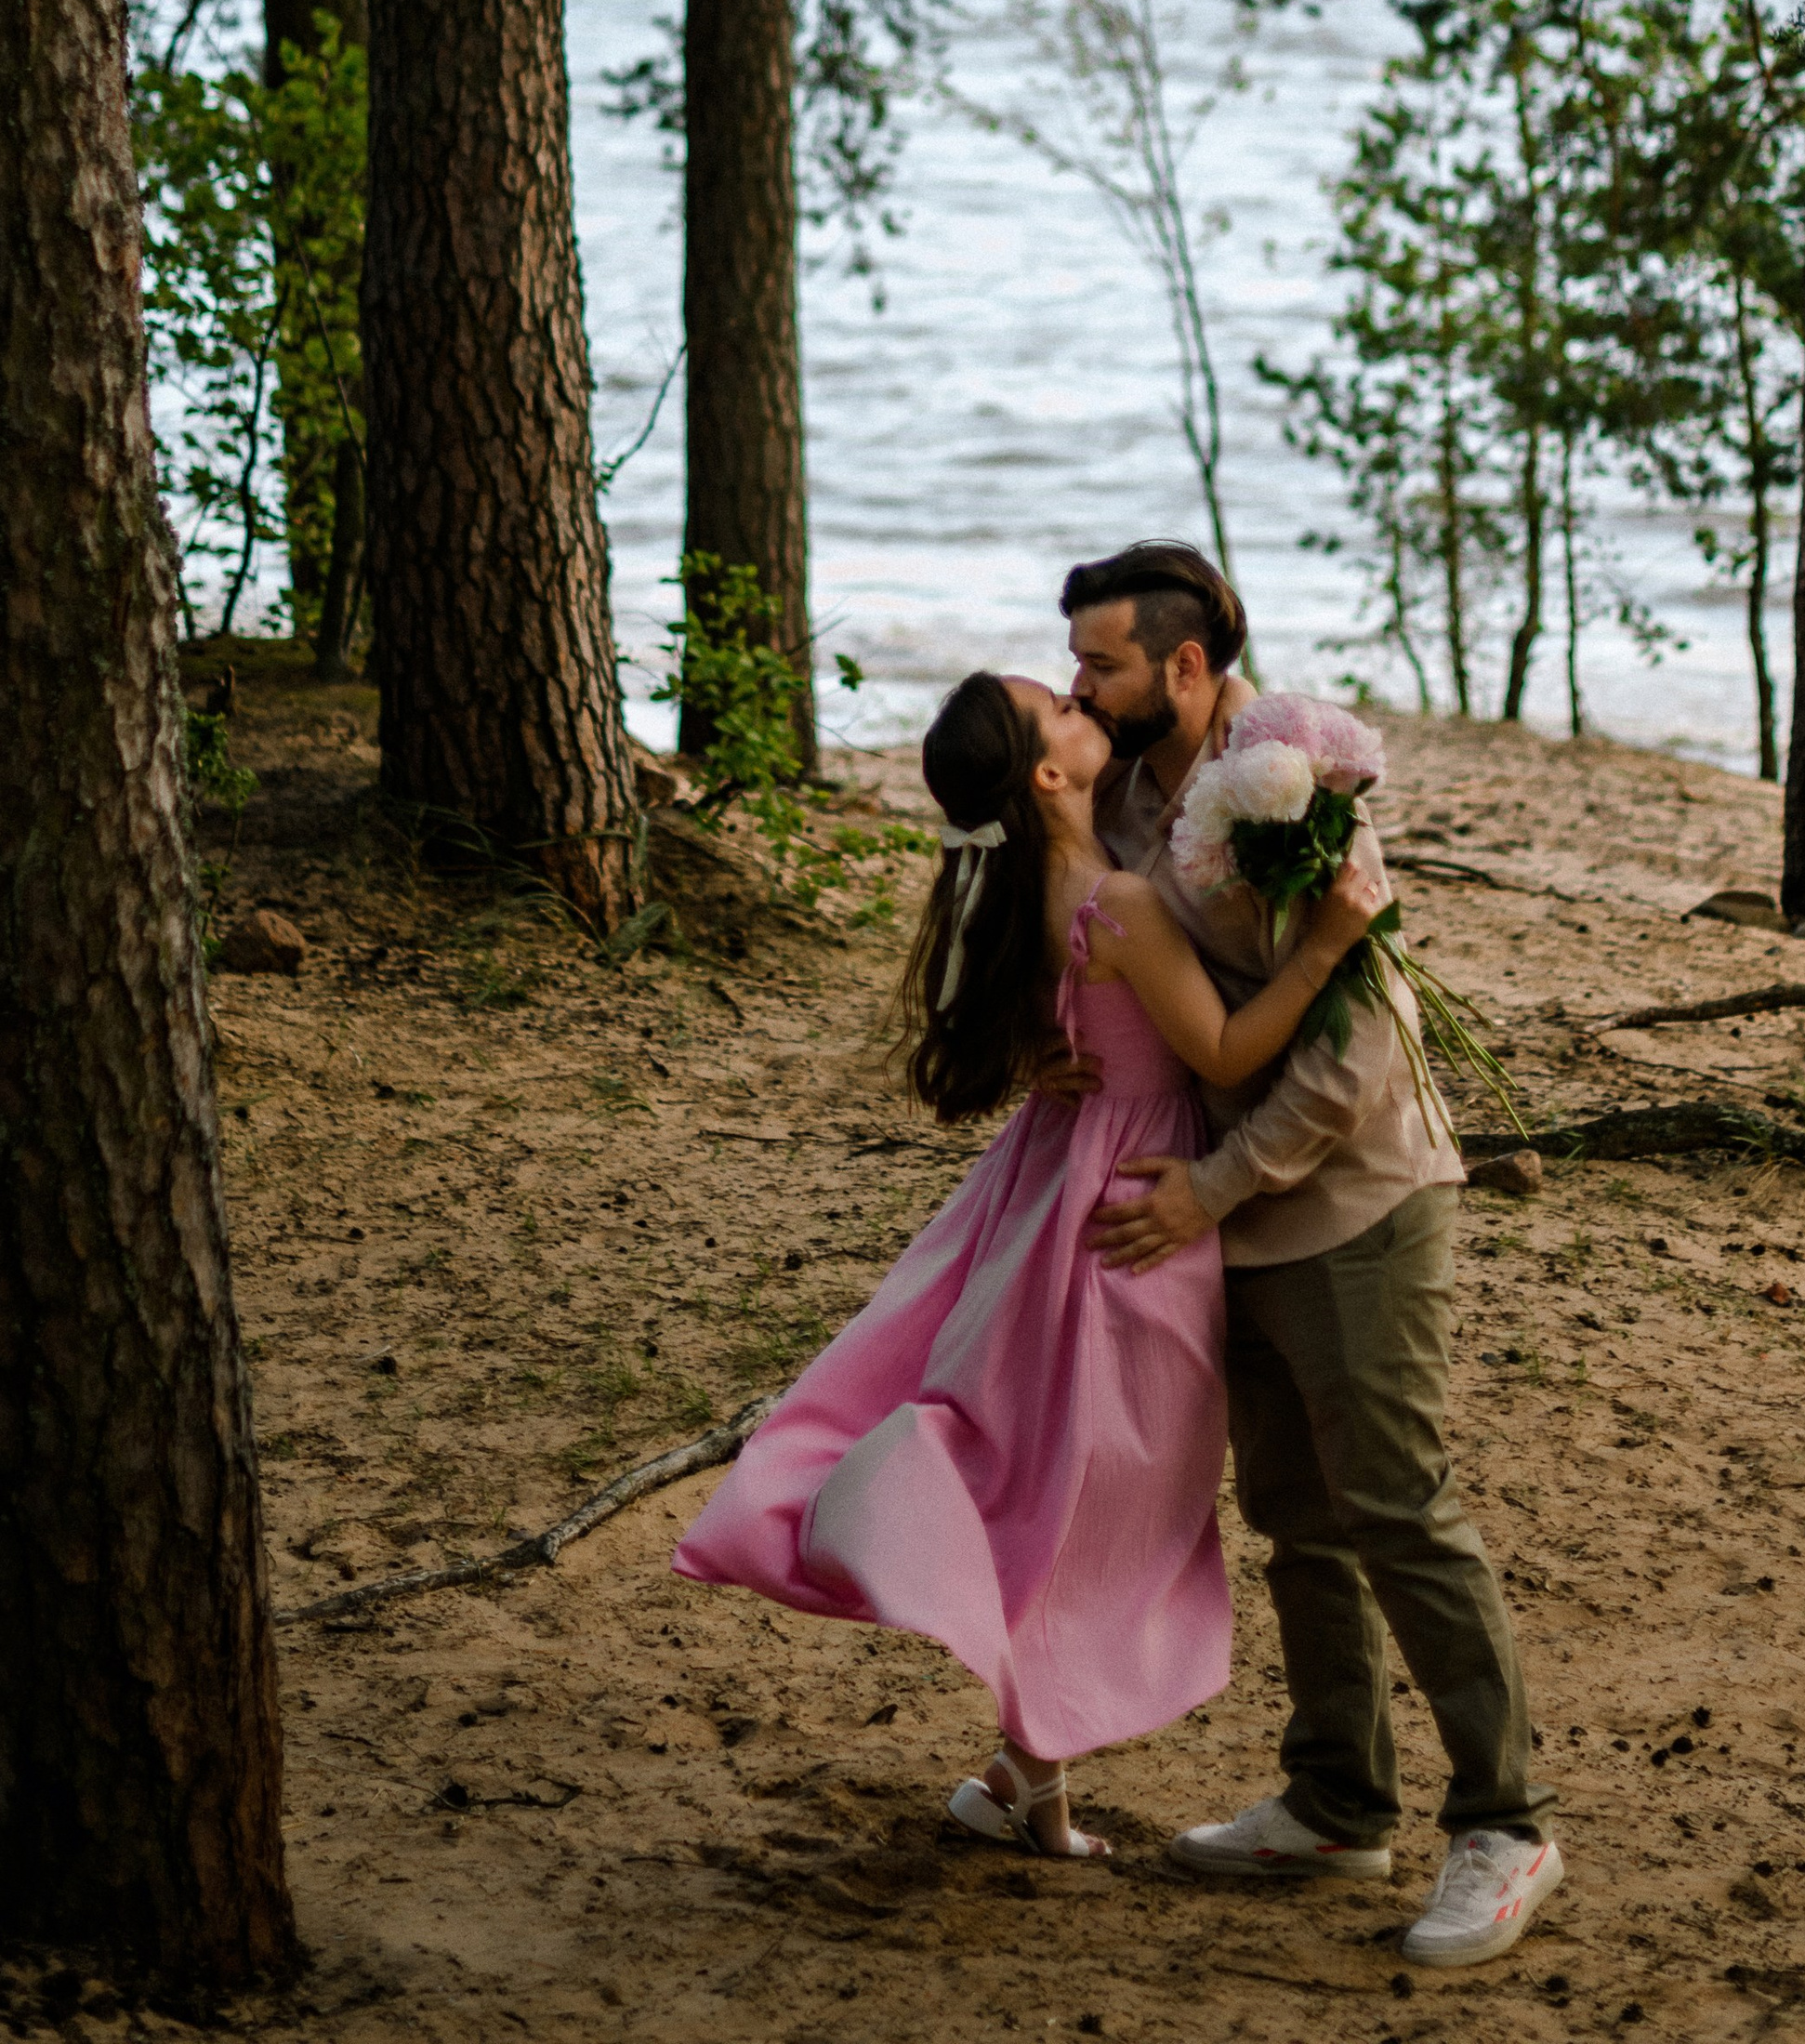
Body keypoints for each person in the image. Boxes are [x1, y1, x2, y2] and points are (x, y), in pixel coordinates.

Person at [670, 666, 1378, 1861]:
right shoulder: (1116, 905)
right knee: (1108, 1495)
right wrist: (1326, 947)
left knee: (1063, 1474)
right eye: (1059, 706)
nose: (1080, 700)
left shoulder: (1022, 883)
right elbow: (1217, 1047)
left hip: (1053, 1180)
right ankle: (1025, 1755)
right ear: (1047, 773)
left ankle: (1021, 1780)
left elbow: (1038, 1014)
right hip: (1130, 1204)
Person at [1061, 540, 1564, 1971]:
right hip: (1232, 1211)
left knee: (1396, 1504)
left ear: (1187, 668)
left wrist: (1212, 1186)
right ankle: (1340, 1799)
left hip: (1355, 1199)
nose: (1077, 685)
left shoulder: (1300, 785)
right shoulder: (1121, 791)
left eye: (1101, 663)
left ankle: (1508, 1824)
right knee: (1295, 1515)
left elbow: (1349, 1053)